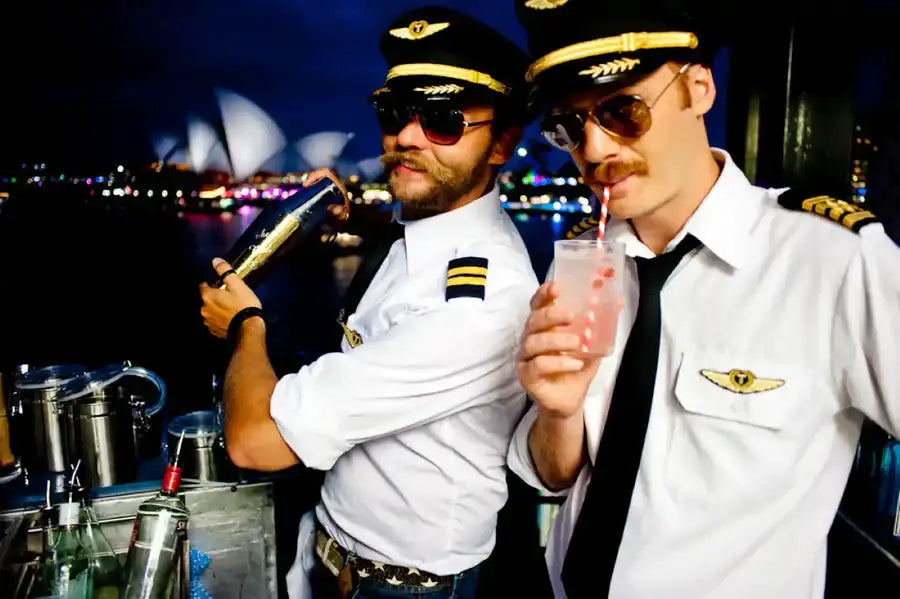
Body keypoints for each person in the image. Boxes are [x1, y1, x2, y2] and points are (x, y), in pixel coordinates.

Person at [506, 1, 900, 598]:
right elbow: (556, 476)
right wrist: (557, 411)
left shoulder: (833, 260)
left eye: (622, 110)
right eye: (569, 126)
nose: (595, 148)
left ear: (698, 89)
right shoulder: (584, 260)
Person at [199, 6, 538, 598]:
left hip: (403, 586)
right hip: (334, 551)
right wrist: (351, 217)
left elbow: (254, 442)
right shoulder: (425, 229)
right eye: (395, 114)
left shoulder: (480, 304)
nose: (406, 137)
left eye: (443, 121)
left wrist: (245, 324)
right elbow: (408, 245)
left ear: (502, 143)